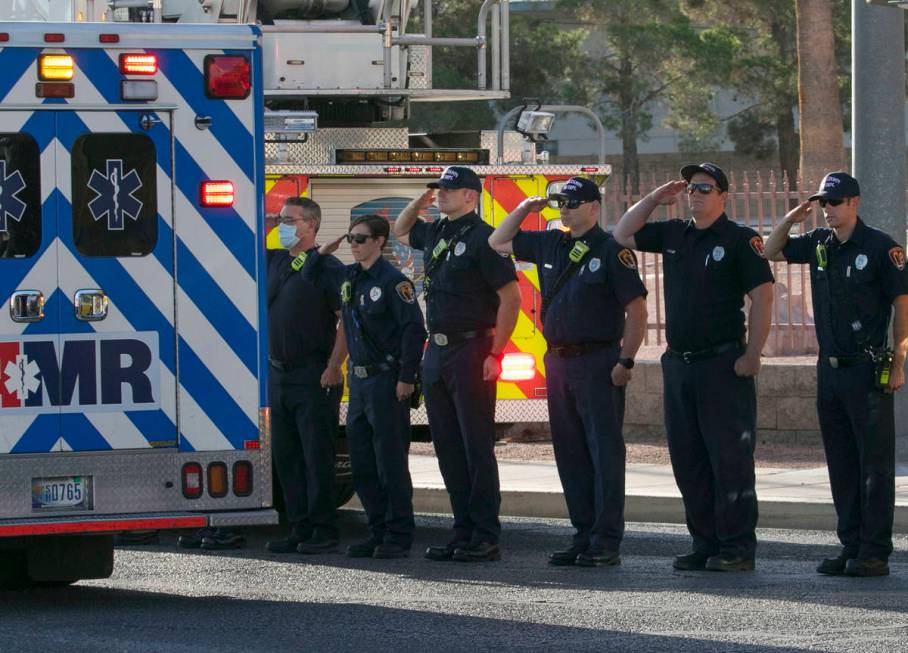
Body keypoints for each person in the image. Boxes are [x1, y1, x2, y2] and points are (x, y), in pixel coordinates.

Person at [614, 162, 774, 572]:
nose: (696, 195)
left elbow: (763, 297)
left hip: (722, 364)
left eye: (705, 189)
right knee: (689, 459)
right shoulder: (674, 233)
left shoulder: (741, 240)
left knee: (730, 459)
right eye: (691, 189)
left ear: (723, 196)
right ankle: (704, 543)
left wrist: (753, 353)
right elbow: (622, 233)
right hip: (680, 365)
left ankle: (736, 547)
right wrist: (653, 198)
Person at [488, 177, 647, 567]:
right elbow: (498, 241)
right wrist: (526, 208)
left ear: (594, 207)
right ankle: (582, 534)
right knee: (570, 451)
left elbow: (638, 310)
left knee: (603, 452)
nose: (566, 209)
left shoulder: (612, 251)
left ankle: (605, 540)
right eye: (562, 203)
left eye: (574, 203)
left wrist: (626, 360)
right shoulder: (550, 243)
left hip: (598, 361)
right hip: (558, 361)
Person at [763, 171, 908, 577]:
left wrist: (899, 361)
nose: (828, 209)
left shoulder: (881, 248)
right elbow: (771, 253)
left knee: (873, 465)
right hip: (829, 372)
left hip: (868, 370)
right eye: (824, 202)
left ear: (855, 203)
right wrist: (792, 219)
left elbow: (903, 307)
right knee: (841, 462)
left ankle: (875, 551)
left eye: (835, 202)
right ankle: (851, 544)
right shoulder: (819, 245)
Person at [393, 166, 521, 563]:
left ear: (471, 196)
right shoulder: (436, 232)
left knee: (475, 446)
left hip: (471, 349)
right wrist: (422, 200)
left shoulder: (485, 238)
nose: (442, 194)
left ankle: (485, 534)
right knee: (447, 446)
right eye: (440, 189)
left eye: (450, 189)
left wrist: (495, 353)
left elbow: (511, 298)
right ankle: (461, 529)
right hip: (439, 352)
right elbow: (401, 229)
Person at [300, 214, 427, 559]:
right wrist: (322, 252)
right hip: (359, 383)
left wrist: (406, 377)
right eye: (351, 238)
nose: (354, 245)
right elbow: (310, 277)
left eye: (360, 239)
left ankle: (398, 534)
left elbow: (415, 331)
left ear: (379, 242)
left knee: (389, 462)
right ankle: (377, 530)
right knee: (362, 461)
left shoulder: (393, 282)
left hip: (387, 381)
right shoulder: (349, 277)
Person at [265, 197, 347, 555]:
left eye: (289, 220)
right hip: (278, 376)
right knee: (287, 457)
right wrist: (268, 220)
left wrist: (333, 365)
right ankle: (297, 527)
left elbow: (347, 319)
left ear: (310, 225)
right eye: (280, 219)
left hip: (315, 375)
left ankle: (323, 529)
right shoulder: (275, 261)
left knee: (317, 457)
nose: (282, 225)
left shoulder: (328, 268)